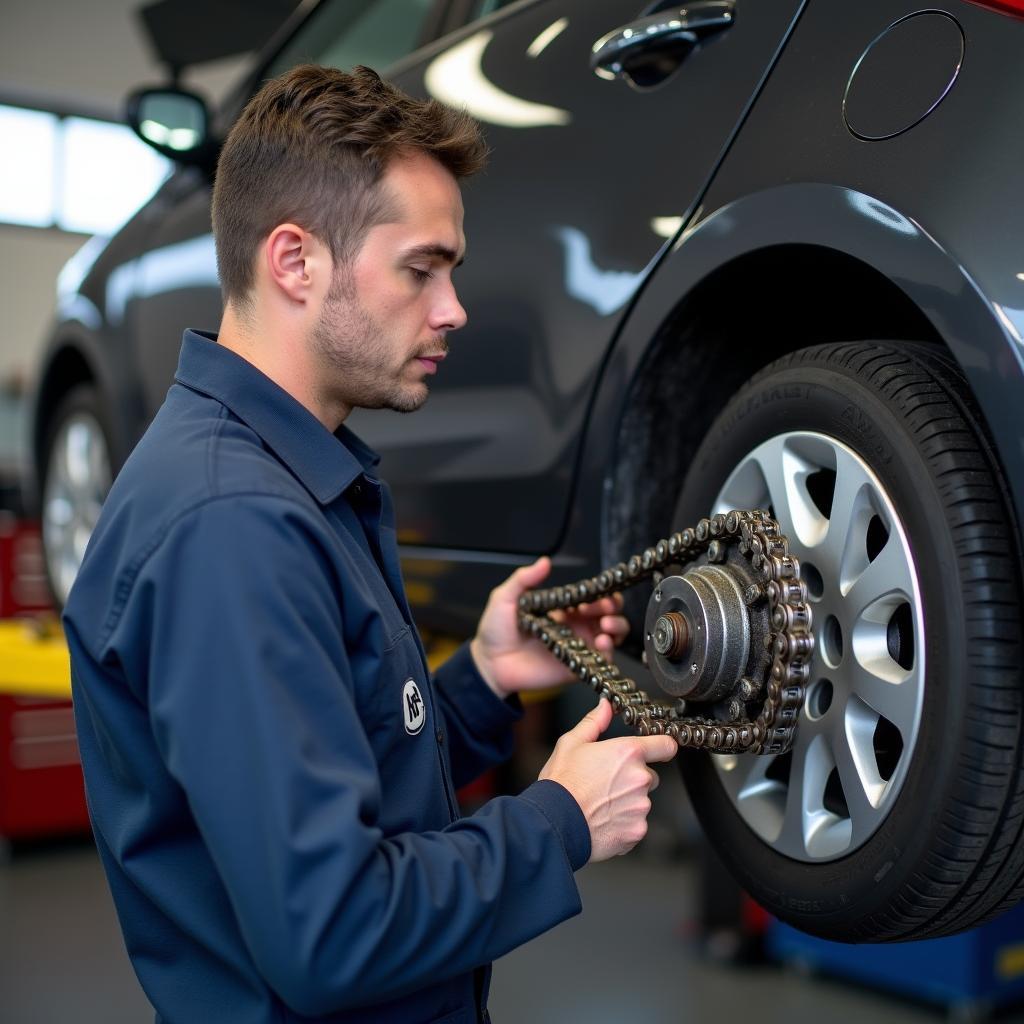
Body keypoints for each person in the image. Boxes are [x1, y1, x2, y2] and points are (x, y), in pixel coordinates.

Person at [63, 64, 677, 1024]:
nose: (453, 310)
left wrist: (478, 680)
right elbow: (333, 930)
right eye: (420, 269)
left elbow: (332, 764)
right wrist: (559, 821)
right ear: (295, 262)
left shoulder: (283, 481)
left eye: (453, 273)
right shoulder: (232, 528)